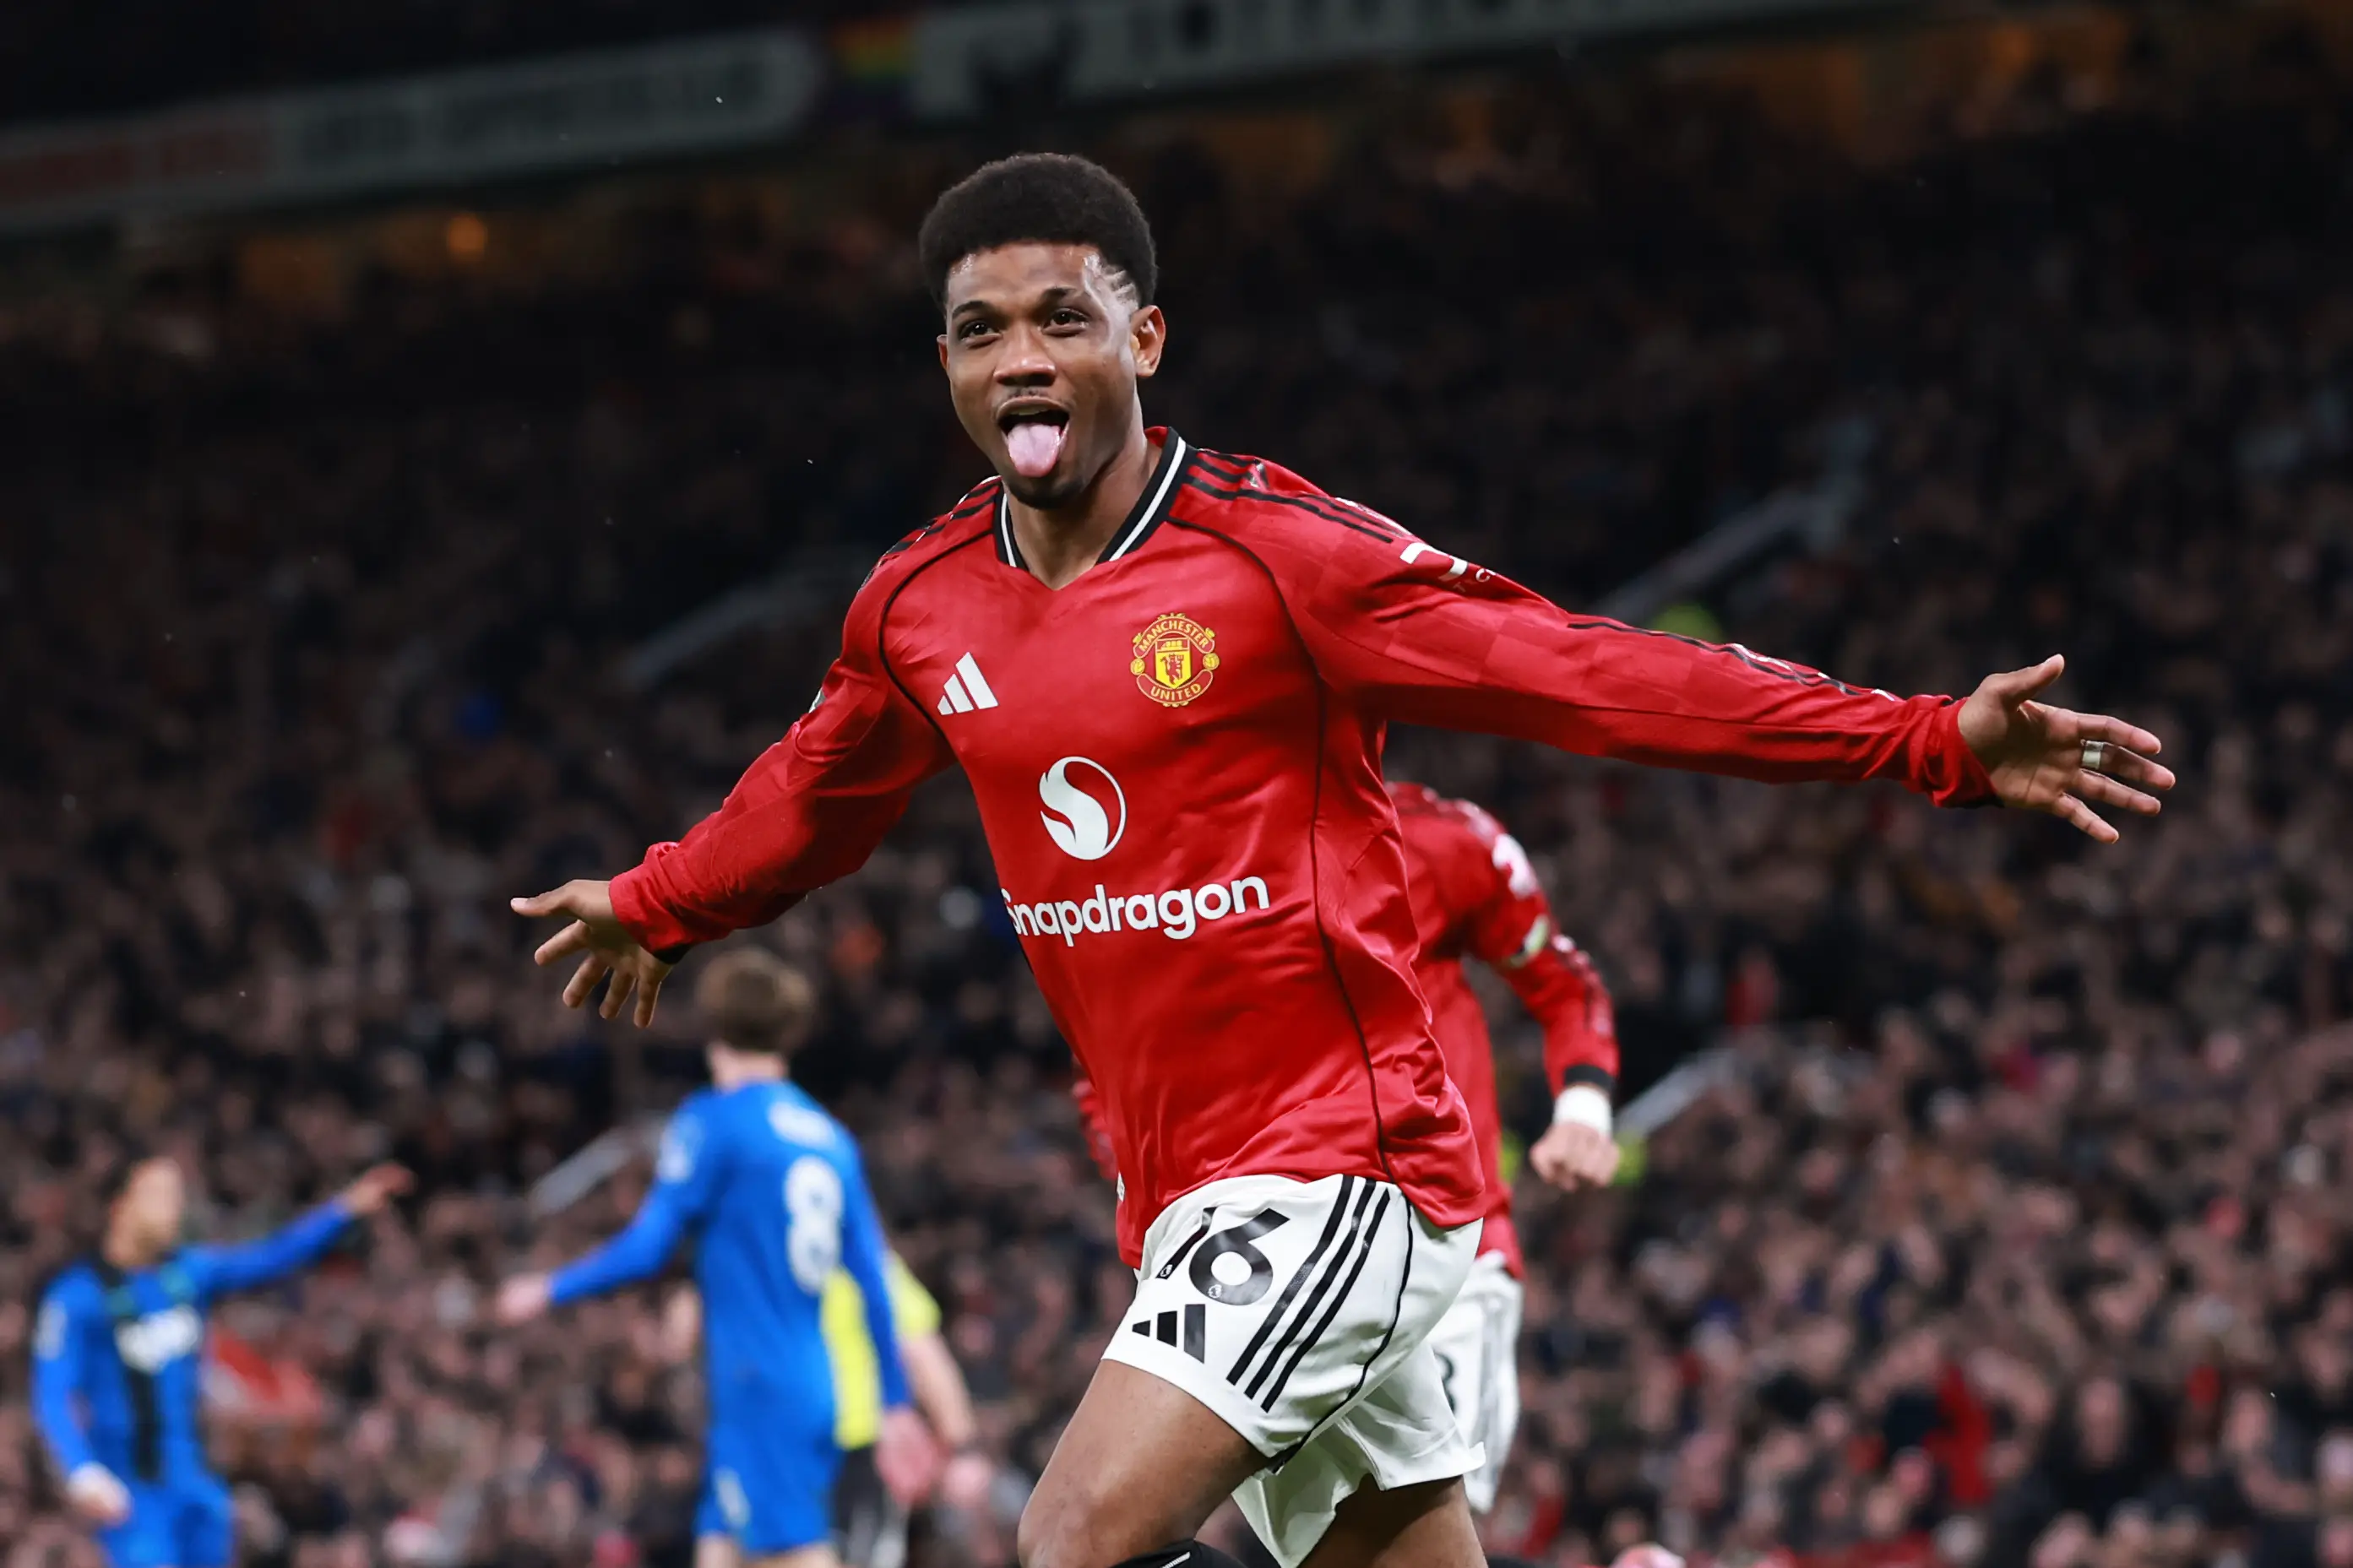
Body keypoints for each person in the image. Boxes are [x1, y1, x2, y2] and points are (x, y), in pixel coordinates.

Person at [509, 153, 2171, 1568]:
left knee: (1070, 1540)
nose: (1021, 358)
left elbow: (1581, 670)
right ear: (942, 362)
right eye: (982, 329)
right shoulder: (917, 605)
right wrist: (659, 901)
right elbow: (814, 793)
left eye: (1062, 319)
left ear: (1143, 337)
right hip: (1174, 1192)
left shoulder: (1275, 558)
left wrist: (1922, 738)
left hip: (1339, 1167)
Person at [496, 947, 928, 1568]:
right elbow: (873, 1281)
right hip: (806, 1379)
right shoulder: (831, 1138)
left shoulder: (714, 1122)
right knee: (719, 1549)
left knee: (797, 1555)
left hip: (758, 1382)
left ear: (712, 1025)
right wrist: (895, 1401)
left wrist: (548, 1289)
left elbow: (647, 1248)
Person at [1386, 781, 1621, 1516]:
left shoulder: (1439, 839)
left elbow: (1564, 984)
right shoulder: (1202, 855)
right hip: (1280, 1244)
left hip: (1448, 1245)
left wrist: (1583, 1107)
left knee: (1432, 1523)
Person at [31, 1154, 411, 1568]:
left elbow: (272, 1256)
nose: (173, 1209)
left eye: (177, 1197)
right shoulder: (76, 1298)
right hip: (134, 1495)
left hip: (195, 1483)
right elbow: (52, 1393)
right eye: (158, 1195)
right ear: (119, 1205)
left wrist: (345, 1207)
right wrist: (81, 1470)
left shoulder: (187, 1273)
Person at [823, 1251, 977, 1568]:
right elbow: (919, 1349)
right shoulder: (856, 1253)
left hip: (776, 1445)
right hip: (859, 1442)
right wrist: (962, 1449)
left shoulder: (750, 1256)